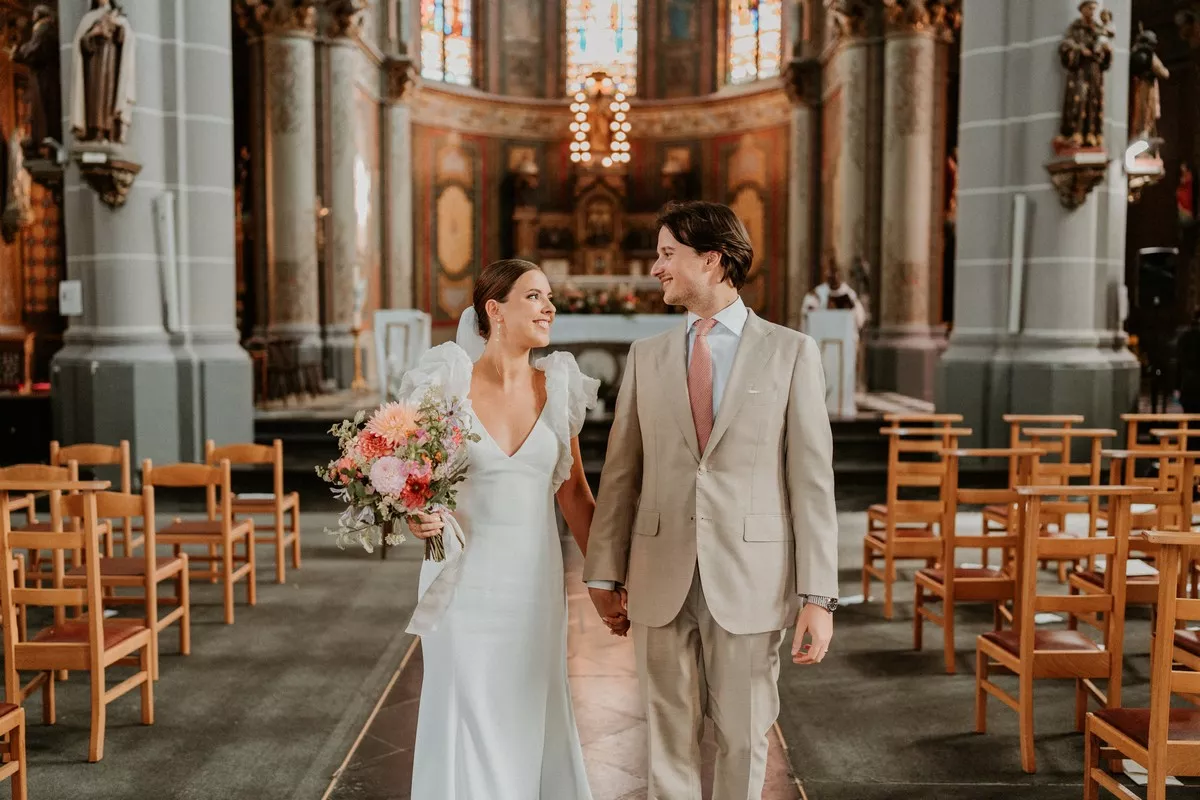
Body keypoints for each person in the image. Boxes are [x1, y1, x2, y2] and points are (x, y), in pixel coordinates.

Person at [584, 201, 839, 799]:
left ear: (713, 259)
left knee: (745, 737)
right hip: (658, 575)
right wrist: (603, 571)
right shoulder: (646, 357)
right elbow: (621, 474)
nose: (656, 268)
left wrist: (818, 597)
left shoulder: (791, 353)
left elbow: (811, 481)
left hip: (751, 576)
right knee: (666, 738)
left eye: (668, 254)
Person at [401, 259, 603, 799]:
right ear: (495, 310)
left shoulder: (558, 388)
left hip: (533, 588)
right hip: (462, 586)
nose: (549, 307)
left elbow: (576, 495)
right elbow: (412, 481)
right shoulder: (445, 386)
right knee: (467, 711)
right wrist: (415, 512)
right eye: (534, 297)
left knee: (527, 706)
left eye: (549, 297)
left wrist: (609, 581)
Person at [1177, 311, 1200, 414]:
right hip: (1193, 382)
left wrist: (1177, 386)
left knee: (1190, 418)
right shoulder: (1188, 336)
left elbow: (1180, 361)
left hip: (1188, 384)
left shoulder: (1185, 336)